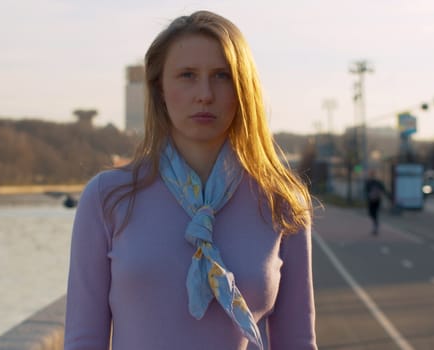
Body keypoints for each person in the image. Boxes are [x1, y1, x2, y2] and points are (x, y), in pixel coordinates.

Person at [64, 10, 316, 350]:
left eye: (222, 76)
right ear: (160, 89)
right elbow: (83, 341)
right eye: (187, 75)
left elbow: (297, 342)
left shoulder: (280, 201)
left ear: (243, 89)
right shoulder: (108, 198)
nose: (205, 94)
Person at [364, 169, 388, 235]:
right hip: (375, 200)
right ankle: (375, 224)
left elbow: (366, 191)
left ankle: (375, 226)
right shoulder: (376, 182)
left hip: (374, 200)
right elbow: (383, 189)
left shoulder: (371, 182)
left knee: (373, 212)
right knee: (372, 213)